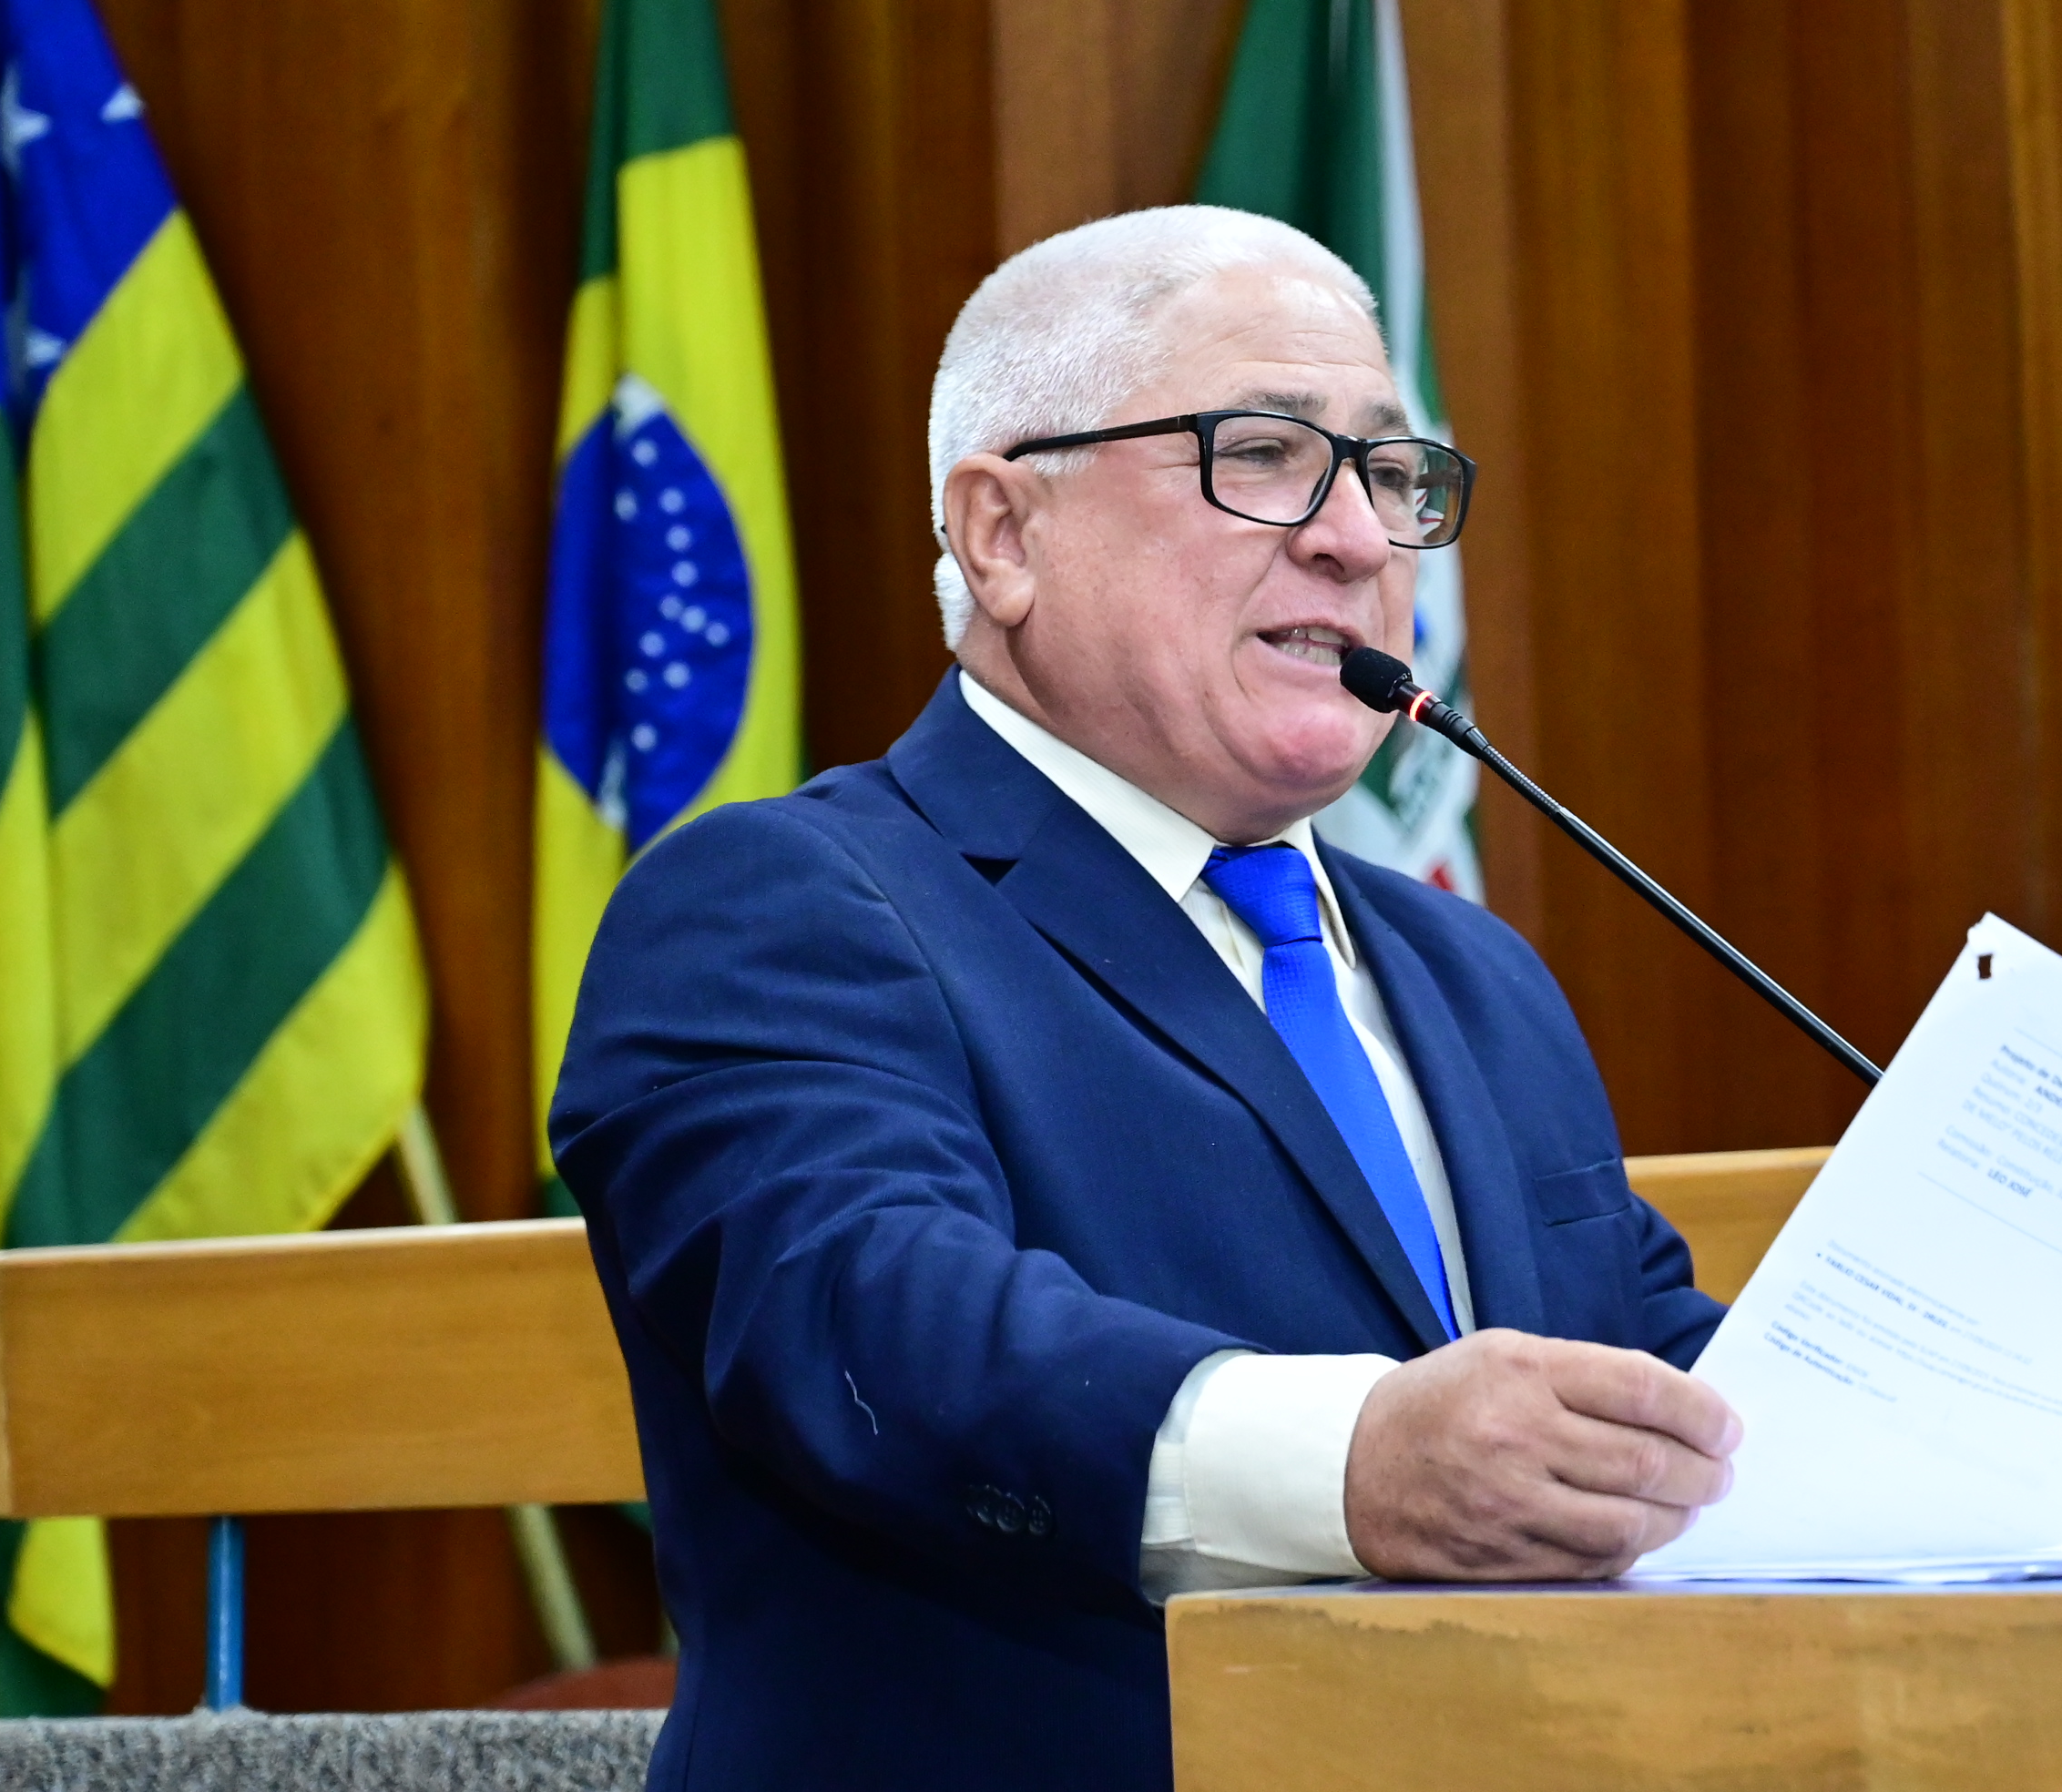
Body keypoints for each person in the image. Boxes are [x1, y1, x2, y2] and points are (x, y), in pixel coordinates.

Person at [551, 205, 1742, 1792]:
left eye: (1391, 474)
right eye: (1262, 455)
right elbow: (882, 1331)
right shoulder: (781, 907)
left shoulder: (1475, 976)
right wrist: (1357, 1461)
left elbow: (1665, 1389)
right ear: (1003, 535)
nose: (1358, 540)